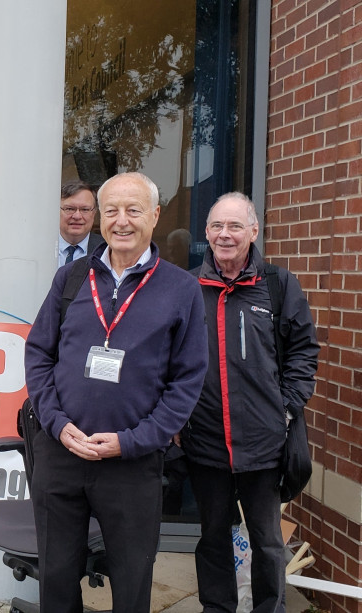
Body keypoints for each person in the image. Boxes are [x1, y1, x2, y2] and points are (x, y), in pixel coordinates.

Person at [24, 172, 208, 612]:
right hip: (62, 452)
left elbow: (187, 382)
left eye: (133, 210)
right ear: (99, 219)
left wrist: (132, 441)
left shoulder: (181, 289)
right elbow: (38, 355)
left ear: (155, 215)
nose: (121, 221)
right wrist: (57, 423)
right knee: (55, 578)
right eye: (111, 211)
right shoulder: (71, 278)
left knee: (130, 583)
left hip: (132, 463)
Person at [179, 192, 318, 612]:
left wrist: (287, 409)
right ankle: (217, 608)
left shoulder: (277, 284)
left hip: (263, 443)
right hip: (205, 441)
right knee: (213, 537)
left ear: (253, 232)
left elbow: (303, 351)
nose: (225, 234)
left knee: (268, 542)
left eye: (235, 226)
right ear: (206, 233)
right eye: (217, 226)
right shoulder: (186, 287)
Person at [58, 179, 103, 265]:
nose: (77, 216)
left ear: (94, 213)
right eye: (70, 209)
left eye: (85, 209)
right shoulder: (37, 246)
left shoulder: (107, 250)